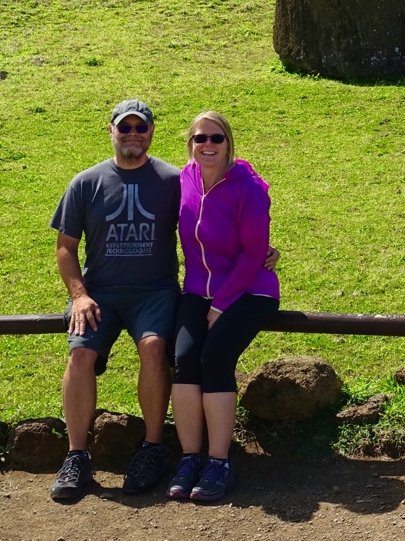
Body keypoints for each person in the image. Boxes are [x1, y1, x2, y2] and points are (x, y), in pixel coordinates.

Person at [48, 99, 181, 502]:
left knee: (155, 347)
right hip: (100, 291)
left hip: (154, 290)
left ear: (152, 132)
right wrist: (80, 295)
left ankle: (152, 448)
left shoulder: (173, 180)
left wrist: (255, 249)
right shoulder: (86, 182)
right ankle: (77, 455)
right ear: (111, 131)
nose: (133, 135)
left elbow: (209, 224)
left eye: (141, 128)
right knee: (80, 355)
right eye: (126, 128)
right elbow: (65, 247)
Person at [166, 110, 281, 504]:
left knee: (214, 358)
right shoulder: (185, 178)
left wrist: (222, 305)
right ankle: (188, 459)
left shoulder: (247, 188)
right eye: (200, 139)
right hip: (198, 290)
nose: (208, 145)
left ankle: (218, 462)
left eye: (216, 138)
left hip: (250, 291)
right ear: (190, 145)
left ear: (229, 143)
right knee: (183, 358)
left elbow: (253, 254)